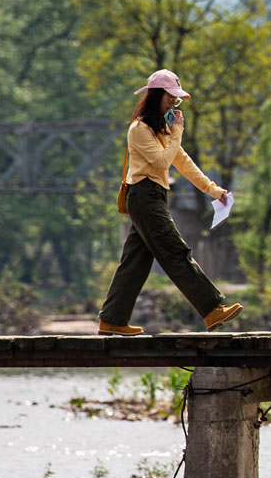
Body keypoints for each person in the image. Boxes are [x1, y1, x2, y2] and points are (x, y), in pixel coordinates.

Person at [97, 69, 243, 335]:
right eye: (170, 98)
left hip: (153, 198)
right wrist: (177, 132)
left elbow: (183, 163)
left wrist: (214, 191)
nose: (174, 104)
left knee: (134, 263)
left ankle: (113, 320)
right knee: (176, 252)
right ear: (156, 96)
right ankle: (211, 309)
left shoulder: (162, 131)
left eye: (177, 99)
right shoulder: (139, 130)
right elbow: (162, 162)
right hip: (144, 197)